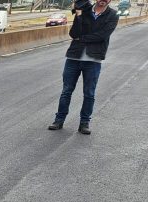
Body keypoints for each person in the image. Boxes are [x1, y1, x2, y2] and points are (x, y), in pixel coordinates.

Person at [48, 0, 118, 135]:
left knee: (89, 93)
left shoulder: (112, 15)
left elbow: (102, 36)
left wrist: (82, 38)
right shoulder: (83, 10)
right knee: (66, 91)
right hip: (73, 57)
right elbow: (74, 34)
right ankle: (59, 120)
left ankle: (84, 123)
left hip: (93, 60)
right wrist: (79, 16)